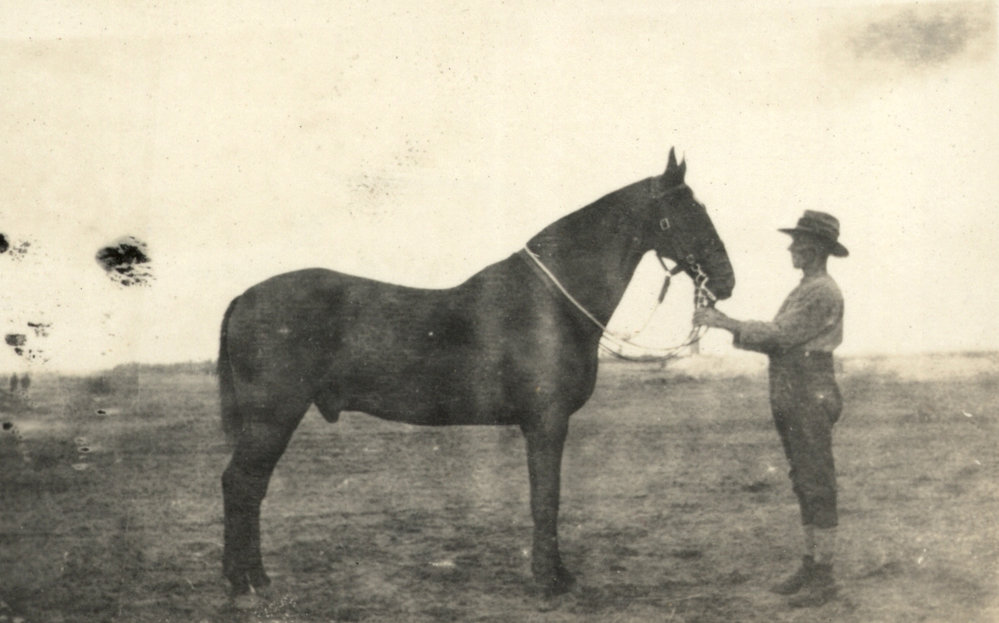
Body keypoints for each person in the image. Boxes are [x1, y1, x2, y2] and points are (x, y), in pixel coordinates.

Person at [693, 210, 847, 608]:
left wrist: (723, 321)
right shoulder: (808, 287)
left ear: (815, 248)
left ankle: (824, 577)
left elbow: (779, 336)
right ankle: (812, 565)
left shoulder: (821, 291)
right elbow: (777, 340)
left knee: (816, 479)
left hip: (807, 388)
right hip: (793, 386)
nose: (792, 247)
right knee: (803, 477)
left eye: (798, 241)